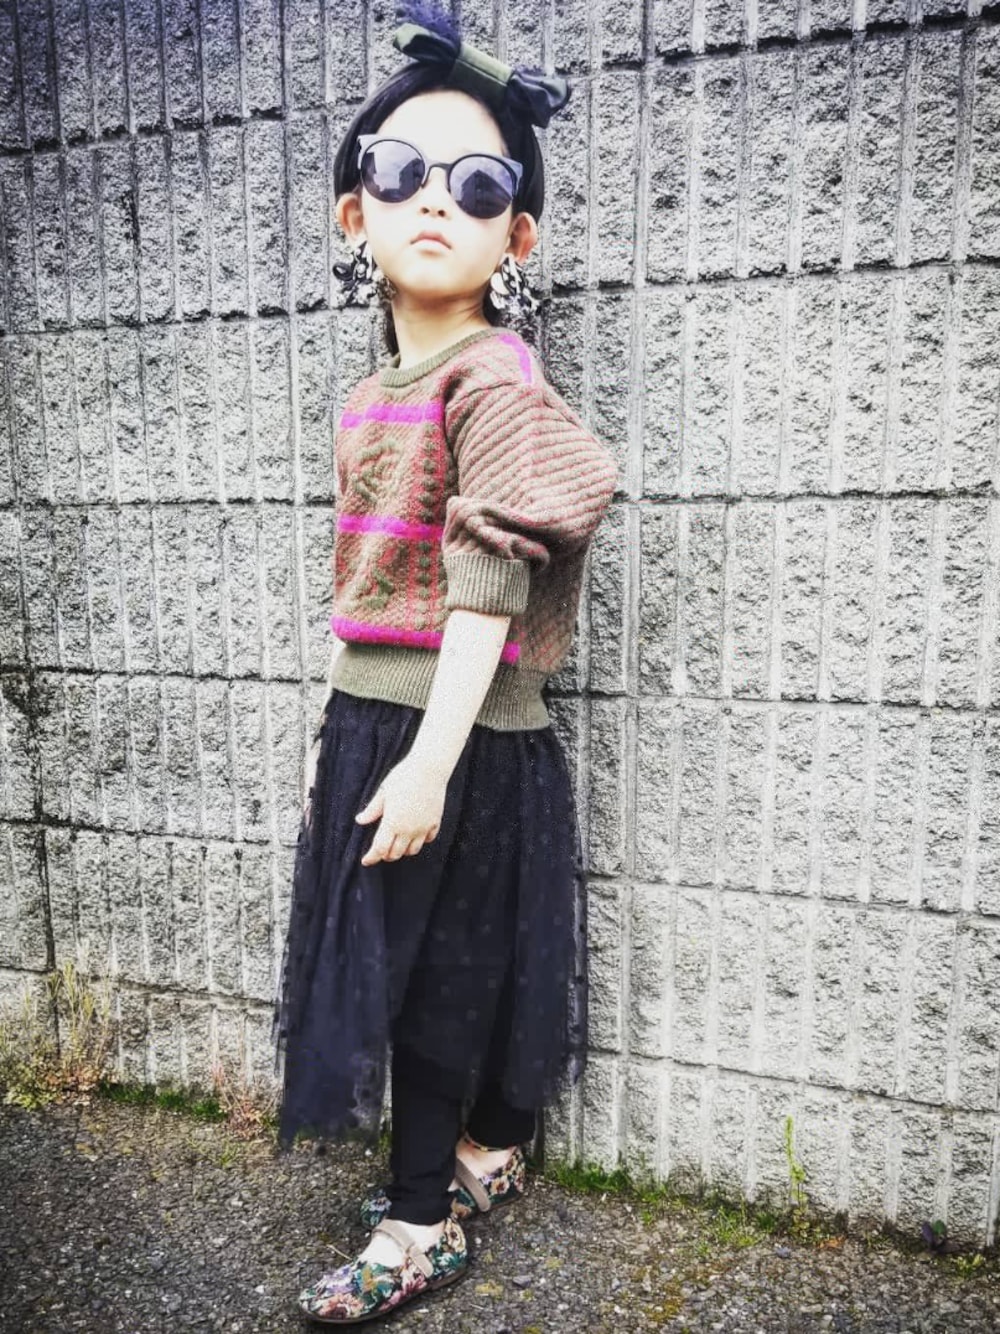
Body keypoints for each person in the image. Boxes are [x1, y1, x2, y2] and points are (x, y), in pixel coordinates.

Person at [270, 2, 618, 1323]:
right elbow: (370, 590)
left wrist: (427, 760)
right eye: (402, 169)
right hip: (380, 717)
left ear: (516, 236)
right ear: (351, 210)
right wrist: (350, 738)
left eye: (478, 183)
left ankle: (424, 1221)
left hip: (460, 732)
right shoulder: (373, 395)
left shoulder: (495, 379)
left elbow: (487, 587)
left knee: (442, 977)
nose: (435, 199)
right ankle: (485, 1149)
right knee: (444, 962)